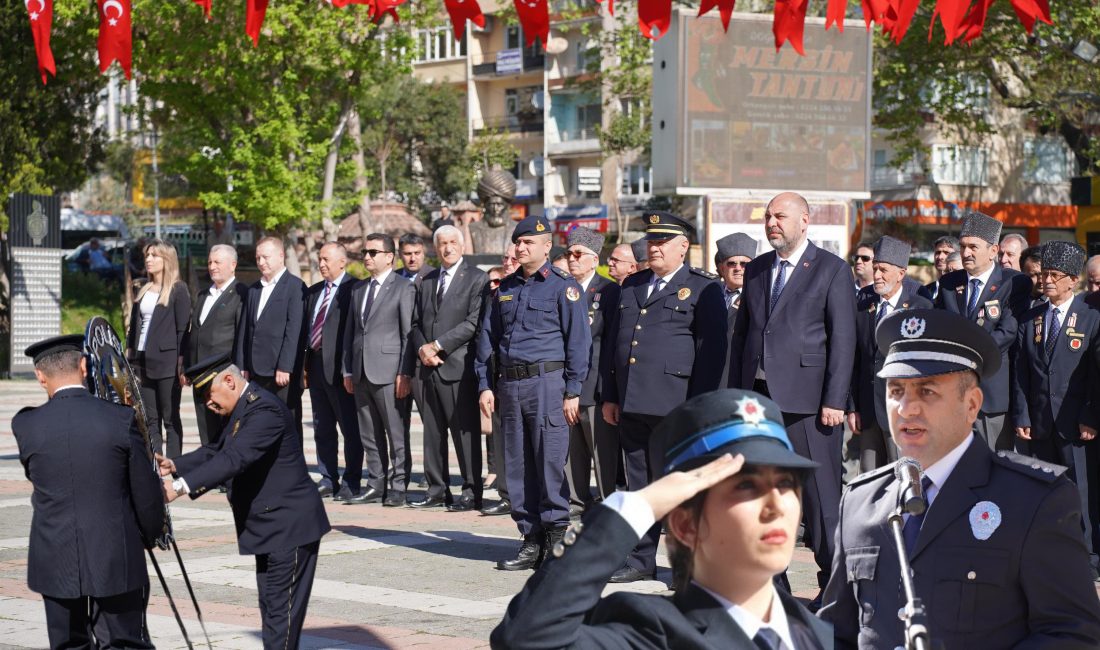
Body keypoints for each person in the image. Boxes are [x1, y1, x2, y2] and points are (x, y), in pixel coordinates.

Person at [819, 308, 1100, 648]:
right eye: (896, 391)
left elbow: (1072, 634)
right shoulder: (861, 501)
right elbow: (837, 632)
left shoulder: (1033, 501)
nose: (906, 408)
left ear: (972, 404)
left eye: (927, 391)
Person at [491, 389, 832, 650]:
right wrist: (640, 506)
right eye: (746, 486)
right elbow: (526, 639)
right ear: (685, 525)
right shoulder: (653, 634)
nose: (776, 505)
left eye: (786, 483)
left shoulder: (824, 635)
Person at [727, 191, 857, 598]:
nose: (772, 224)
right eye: (767, 217)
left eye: (780, 216)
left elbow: (843, 340)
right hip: (760, 402)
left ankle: (835, 591)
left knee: (819, 504)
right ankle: (774, 588)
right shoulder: (758, 269)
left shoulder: (831, 270)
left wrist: (835, 400)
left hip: (810, 405)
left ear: (805, 220)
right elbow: (744, 336)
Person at [161, 355, 331, 650]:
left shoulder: (264, 410)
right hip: (269, 527)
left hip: (288, 528)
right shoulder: (245, 409)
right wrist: (174, 465)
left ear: (229, 381)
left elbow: (234, 458)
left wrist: (178, 488)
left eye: (209, 397)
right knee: (272, 611)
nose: (209, 406)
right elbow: (217, 451)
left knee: (281, 620)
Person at [13, 335, 164, 650]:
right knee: (124, 642)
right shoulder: (120, 419)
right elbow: (145, 491)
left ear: (40, 376)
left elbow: (35, 474)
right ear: (84, 366)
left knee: (68, 644)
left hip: (55, 555)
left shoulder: (26, 425)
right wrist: (151, 534)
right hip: (115, 553)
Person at [601, 211, 727, 583]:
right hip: (633, 402)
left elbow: (712, 351)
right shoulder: (632, 284)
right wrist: (610, 395)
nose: (653, 247)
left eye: (662, 241)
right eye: (651, 240)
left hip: (677, 405)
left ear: (683, 246)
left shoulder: (703, 288)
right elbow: (616, 345)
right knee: (640, 486)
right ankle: (641, 560)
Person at [475, 214, 591, 570]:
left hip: (547, 384)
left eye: (529, 243)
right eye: (518, 242)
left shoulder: (562, 286)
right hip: (510, 385)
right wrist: (484, 384)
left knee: (549, 460)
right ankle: (530, 538)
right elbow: (486, 340)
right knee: (517, 462)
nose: (521, 248)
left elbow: (578, 342)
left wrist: (573, 390)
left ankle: (557, 537)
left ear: (545, 246)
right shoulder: (505, 289)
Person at [1012, 241, 1100, 577]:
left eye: (1053, 275)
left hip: (1076, 424)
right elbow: (1022, 372)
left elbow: (1094, 374)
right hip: (1040, 422)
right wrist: (1022, 415)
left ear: (1072, 281)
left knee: (1080, 492)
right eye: (1043, 274)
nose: (1046, 280)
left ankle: (1086, 557)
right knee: (1045, 492)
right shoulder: (1032, 317)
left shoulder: (1091, 318)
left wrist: (1091, 415)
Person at [405, 225, 488, 511]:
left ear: (462, 246)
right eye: (442, 243)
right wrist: (422, 349)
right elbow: (415, 323)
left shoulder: (477, 278)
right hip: (428, 368)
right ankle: (437, 489)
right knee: (432, 433)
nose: (448, 248)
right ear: (435, 247)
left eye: (453, 242)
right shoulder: (426, 280)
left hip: (457, 366)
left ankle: (470, 490)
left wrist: (437, 345)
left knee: (465, 432)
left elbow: (472, 323)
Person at [934, 211, 1031, 451]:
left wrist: (968, 351)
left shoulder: (1013, 282)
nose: (966, 253)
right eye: (963, 246)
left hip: (991, 395)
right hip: (953, 395)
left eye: (973, 247)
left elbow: (1008, 331)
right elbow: (939, 327)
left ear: (993, 250)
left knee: (995, 468)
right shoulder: (949, 284)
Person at [342, 233, 416, 507]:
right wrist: (347, 370)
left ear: (389, 257)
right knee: (369, 433)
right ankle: (375, 483)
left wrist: (404, 372)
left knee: (396, 432)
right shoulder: (358, 289)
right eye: (365, 252)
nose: (367, 257)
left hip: (389, 372)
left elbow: (407, 333)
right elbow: (352, 333)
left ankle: (398, 486)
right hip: (360, 371)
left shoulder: (403, 287)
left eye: (373, 252)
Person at [849, 236, 931, 472]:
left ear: (901, 273)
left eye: (883, 270)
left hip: (904, 411)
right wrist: (853, 406)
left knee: (903, 475)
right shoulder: (864, 307)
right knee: (870, 476)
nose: (876, 276)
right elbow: (857, 359)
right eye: (875, 269)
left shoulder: (919, 308)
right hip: (869, 411)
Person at [563, 226, 620, 515]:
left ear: (594, 258)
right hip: (566, 384)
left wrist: (609, 390)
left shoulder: (609, 291)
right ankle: (576, 499)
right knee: (573, 451)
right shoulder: (563, 289)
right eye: (568, 254)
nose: (572, 259)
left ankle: (608, 501)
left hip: (596, 384)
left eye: (578, 254)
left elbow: (610, 345)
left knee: (603, 451)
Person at [303, 243, 362, 501]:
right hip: (316, 367)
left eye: (327, 259)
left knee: (349, 429)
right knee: (322, 427)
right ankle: (328, 478)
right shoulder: (314, 292)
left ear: (342, 262)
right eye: (319, 259)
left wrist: (349, 369)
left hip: (340, 370)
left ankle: (352, 479)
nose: (322, 264)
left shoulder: (355, 289)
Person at [127, 239, 192, 457]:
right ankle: (154, 463)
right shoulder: (144, 289)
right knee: (149, 418)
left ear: (167, 259)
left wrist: (181, 362)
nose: (148, 260)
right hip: (142, 361)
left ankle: (174, 465)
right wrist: (130, 353)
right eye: (147, 255)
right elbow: (134, 328)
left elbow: (183, 330)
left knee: (170, 417)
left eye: (154, 255)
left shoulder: (178, 289)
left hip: (167, 363)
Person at [182, 243, 247, 446]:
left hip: (223, 374)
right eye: (210, 262)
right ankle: (208, 471)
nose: (212, 266)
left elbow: (242, 334)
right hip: (199, 374)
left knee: (225, 429)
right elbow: (194, 331)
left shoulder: (241, 293)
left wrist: (240, 368)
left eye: (217, 262)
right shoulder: (203, 295)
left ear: (232, 265)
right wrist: (186, 367)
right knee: (205, 429)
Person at [236, 236, 306, 408]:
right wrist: (242, 365)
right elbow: (245, 330)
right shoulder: (253, 289)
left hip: (280, 371)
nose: (260, 262)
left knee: (286, 421)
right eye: (258, 258)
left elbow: (294, 330)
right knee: (259, 420)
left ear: (281, 256)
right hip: (254, 370)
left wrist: (285, 366)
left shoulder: (295, 286)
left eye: (265, 257)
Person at [479, 265, 513, 517]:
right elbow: (485, 344)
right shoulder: (494, 300)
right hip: (499, 379)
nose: (495, 285)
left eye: (499, 280)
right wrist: (485, 385)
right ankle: (506, 495)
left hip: (526, 381)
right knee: (500, 442)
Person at [713, 232, 757, 387]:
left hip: (738, 380)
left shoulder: (759, 297)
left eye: (744, 264)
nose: (738, 268)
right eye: (732, 263)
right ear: (721, 267)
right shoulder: (709, 294)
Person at [918, 235, 958, 302]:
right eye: (938, 252)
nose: (940, 257)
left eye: (946, 253)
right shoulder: (924, 291)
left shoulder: (964, 290)